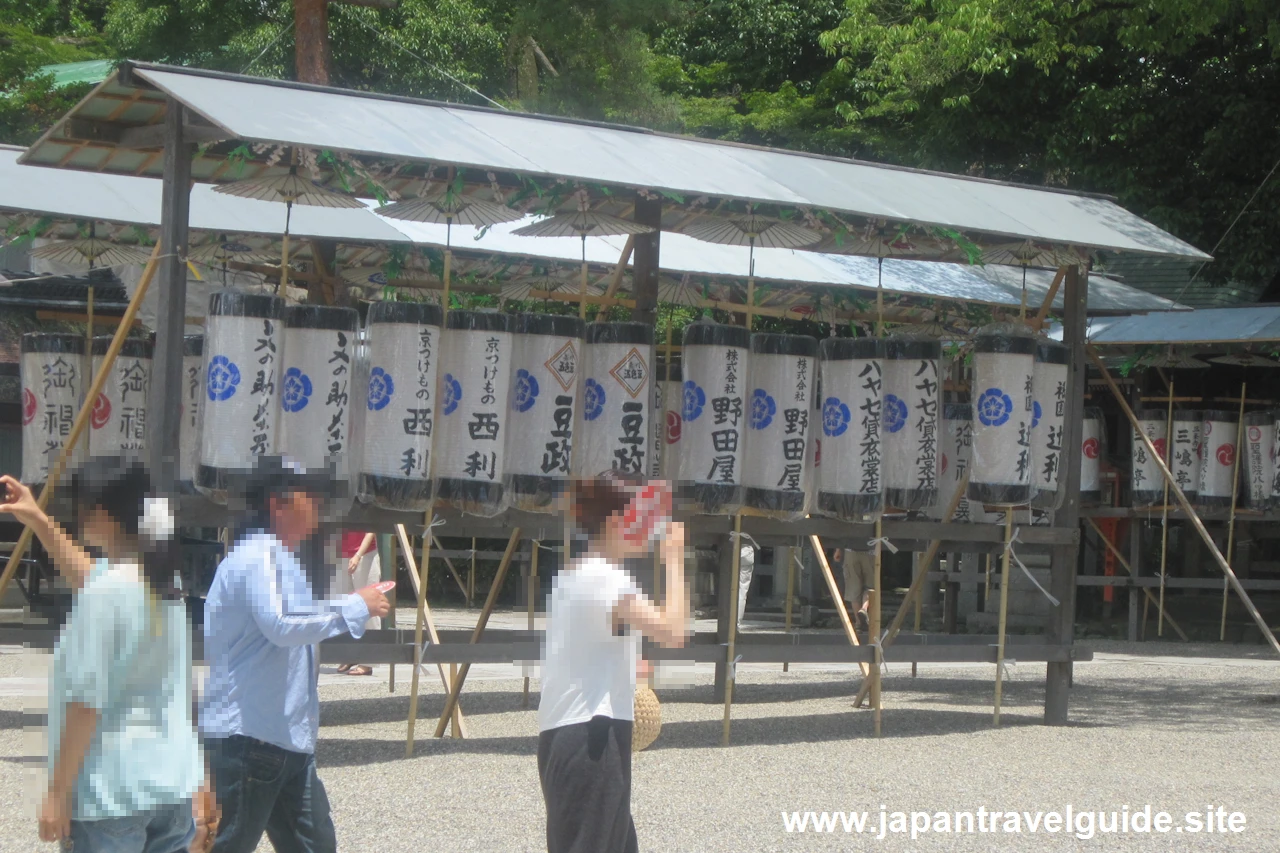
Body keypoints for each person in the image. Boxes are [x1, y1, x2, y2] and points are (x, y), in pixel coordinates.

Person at [0, 459, 209, 852]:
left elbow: (86, 704)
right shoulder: (165, 582)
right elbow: (90, 574)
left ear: (100, 513)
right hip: (170, 785)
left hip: (111, 790)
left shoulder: (105, 595)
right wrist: (38, 520)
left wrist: (57, 794)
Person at [199, 456, 390, 853]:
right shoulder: (258, 556)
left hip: (283, 741)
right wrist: (355, 606)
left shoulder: (279, 560)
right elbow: (282, 623)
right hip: (250, 739)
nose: (319, 503)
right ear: (279, 503)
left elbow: (295, 621)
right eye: (310, 494)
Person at [539, 473, 690, 853]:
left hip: (575, 734)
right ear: (613, 522)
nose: (650, 527)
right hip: (592, 736)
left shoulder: (581, 573)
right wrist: (674, 560)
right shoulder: (604, 578)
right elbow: (674, 631)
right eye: (642, 517)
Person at [334, 530, 381, 676]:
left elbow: (371, 530)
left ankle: (368, 661)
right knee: (345, 609)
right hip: (340, 554)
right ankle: (350, 655)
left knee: (369, 606)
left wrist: (358, 555)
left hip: (365, 555)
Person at [835, 547, 875, 634]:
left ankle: (858, 624)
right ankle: (864, 609)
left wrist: (838, 549)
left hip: (851, 551)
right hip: (870, 550)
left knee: (853, 588)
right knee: (870, 586)